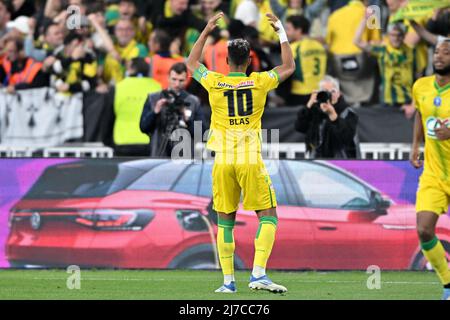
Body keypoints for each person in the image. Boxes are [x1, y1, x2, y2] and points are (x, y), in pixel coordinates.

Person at [186, 12, 295, 293]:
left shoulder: (214, 82)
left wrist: (207, 29)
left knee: (225, 220)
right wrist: (281, 31)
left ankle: (228, 282)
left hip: (222, 161)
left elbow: (190, 63)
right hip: (249, 160)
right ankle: (258, 274)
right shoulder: (259, 82)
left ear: (226, 61)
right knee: (268, 215)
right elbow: (289, 66)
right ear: (249, 61)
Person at [410, 38, 450, 301]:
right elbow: (419, 114)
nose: (439, 56)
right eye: (436, 51)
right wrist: (415, 144)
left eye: (446, 52)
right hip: (434, 174)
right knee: (424, 229)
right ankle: (448, 284)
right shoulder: (421, 86)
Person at [140, 62, 205, 157]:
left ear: (186, 80)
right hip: (158, 155)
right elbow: (143, 127)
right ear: (168, 78)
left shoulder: (193, 102)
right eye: (174, 79)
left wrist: (187, 119)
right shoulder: (154, 98)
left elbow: (202, 134)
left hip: (184, 157)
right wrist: (155, 112)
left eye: (181, 80)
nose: (177, 84)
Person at [354, 20, 421, 110]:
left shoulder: (411, 51)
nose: (396, 38)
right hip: (387, 101)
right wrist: (365, 20)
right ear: (388, 36)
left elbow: (418, 78)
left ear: (404, 36)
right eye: (393, 35)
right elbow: (357, 41)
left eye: (399, 35)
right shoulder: (382, 50)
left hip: (407, 100)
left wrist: (413, 104)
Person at [295, 75, 359, 158]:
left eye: (332, 91)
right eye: (325, 91)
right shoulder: (315, 110)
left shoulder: (348, 112)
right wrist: (309, 105)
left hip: (342, 161)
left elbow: (347, 137)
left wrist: (333, 115)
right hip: (317, 161)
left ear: (339, 93)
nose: (329, 95)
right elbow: (299, 127)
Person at [112, 57, 162, 156]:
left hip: (122, 141)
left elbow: (109, 116)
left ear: (131, 69)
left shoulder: (118, 87)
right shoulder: (157, 87)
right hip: (148, 141)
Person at [284, 14, 326, 106]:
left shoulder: (293, 47)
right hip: (319, 91)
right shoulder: (320, 46)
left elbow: (285, 71)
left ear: (298, 30)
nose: (286, 32)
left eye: (288, 29)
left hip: (299, 92)